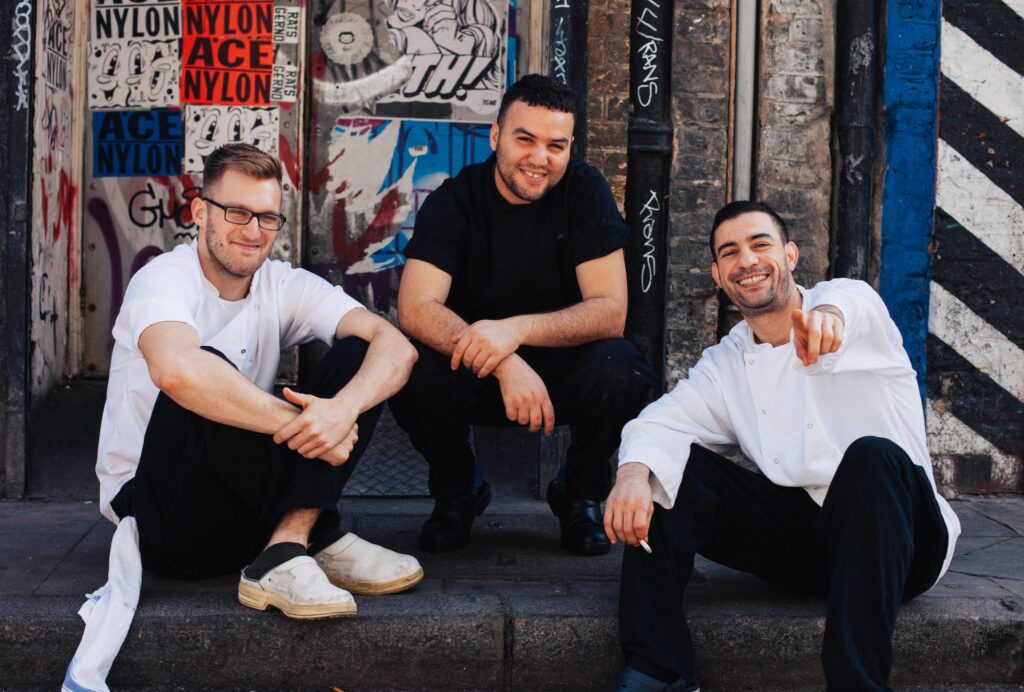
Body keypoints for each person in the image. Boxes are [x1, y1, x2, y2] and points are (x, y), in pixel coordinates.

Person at [603, 201, 961, 691]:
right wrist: (631, 476)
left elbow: (847, 304)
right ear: (718, 274)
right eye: (730, 252)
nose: (746, 261)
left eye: (760, 244)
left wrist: (829, 317)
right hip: (812, 544)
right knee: (665, 465)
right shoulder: (728, 361)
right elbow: (661, 422)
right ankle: (656, 668)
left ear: (790, 255)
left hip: (904, 542)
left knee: (871, 457)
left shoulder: (850, 307)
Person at [96, 143, 422, 619]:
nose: (253, 231)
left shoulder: (280, 284)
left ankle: (291, 543)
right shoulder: (163, 279)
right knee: (199, 375)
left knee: (360, 354)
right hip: (161, 519)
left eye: (267, 218)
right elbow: (176, 370)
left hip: (244, 510)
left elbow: (397, 347)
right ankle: (318, 534)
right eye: (236, 213)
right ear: (200, 213)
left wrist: (341, 411)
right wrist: (308, 424)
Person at [389, 73, 657, 556]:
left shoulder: (584, 192)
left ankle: (580, 492)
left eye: (556, 145)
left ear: (571, 146)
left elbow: (610, 311)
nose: (539, 158)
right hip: (474, 369)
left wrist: (514, 332)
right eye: (525, 139)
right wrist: (504, 360)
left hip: (562, 372)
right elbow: (414, 307)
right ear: (495, 137)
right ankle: (458, 490)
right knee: (405, 365)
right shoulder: (456, 200)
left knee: (624, 370)